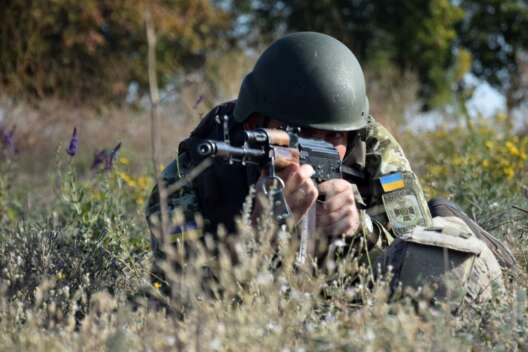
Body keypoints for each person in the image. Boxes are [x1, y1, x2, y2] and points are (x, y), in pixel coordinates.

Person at [146, 32, 514, 302]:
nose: (319, 146)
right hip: (264, 301)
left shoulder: (373, 148)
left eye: (335, 136)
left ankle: (466, 234)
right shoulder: (193, 177)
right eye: (300, 131)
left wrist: (360, 231)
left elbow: (412, 243)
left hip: (353, 289)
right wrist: (256, 234)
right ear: (255, 123)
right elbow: (180, 293)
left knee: (442, 257)